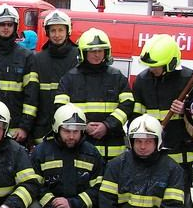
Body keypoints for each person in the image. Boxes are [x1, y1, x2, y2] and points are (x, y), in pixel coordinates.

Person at [133, 34, 193, 208]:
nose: (153, 70)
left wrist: (187, 110)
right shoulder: (142, 81)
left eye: (157, 66)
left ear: (171, 62)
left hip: (181, 155)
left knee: (182, 204)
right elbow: (137, 116)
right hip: (153, 154)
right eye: (150, 66)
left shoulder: (189, 80)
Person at [31, 104, 104, 208]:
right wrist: (61, 207)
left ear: (82, 131)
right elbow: (36, 186)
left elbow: (99, 189)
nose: (71, 136)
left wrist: (73, 204)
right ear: (57, 129)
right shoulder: (41, 152)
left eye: (76, 131)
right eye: (67, 131)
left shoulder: (92, 154)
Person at [54, 28, 134, 162]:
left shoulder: (117, 77)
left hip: (113, 150)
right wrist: (84, 126)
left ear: (106, 52)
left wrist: (108, 125)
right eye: (92, 51)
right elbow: (60, 107)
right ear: (83, 53)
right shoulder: (69, 78)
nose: (97, 55)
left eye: (100, 50)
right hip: (81, 148)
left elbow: (128, 105)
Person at [0, 4, 39, 145]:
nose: (6, 28)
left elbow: (31, 95)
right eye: (2, 24)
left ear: (16, 26)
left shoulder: (26, 56)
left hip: (16, 130)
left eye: (9, 24)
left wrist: (25, 127)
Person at [31, 11, 79, 143]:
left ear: (68, 31)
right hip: (43, 126)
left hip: (71, 127)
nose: (57, 35)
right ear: (47, 32)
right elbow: (32, 95)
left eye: (60, 30)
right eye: (53, 31)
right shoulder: (38, 59)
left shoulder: (78, 57)